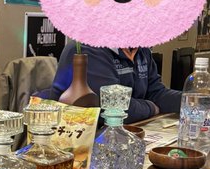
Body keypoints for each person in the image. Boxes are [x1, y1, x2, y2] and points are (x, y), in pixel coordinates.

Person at [45, 42, 182, 123]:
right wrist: (152, 107)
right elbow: (114, 108)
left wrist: (190, 101)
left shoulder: (141, 50)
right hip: (78, 141)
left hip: (122, 135)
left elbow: (156, 93)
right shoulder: (88, 47)